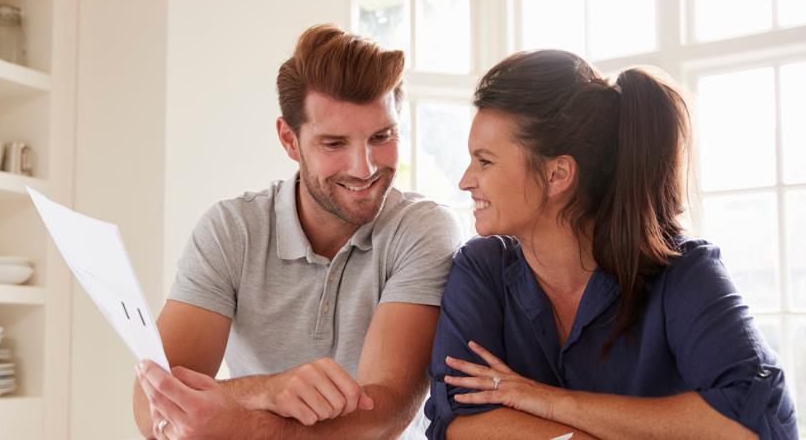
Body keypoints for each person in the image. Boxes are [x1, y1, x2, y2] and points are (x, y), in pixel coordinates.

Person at [424, 49, 799, 439]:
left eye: (484, 162)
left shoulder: (684, 271)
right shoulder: (481, 270)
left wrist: (547, 400)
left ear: (557, 174)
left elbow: (749, 425)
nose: (466, 180)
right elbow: (461, 426)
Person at [133, 24, 462, 439]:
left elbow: (385, 413)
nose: (365, 168)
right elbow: (153, 406)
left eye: (382, 136)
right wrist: (268, 389)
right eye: (334, 144)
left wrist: (243, 424)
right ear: (290, 141)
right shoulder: (232, 231)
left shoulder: (421, 230)